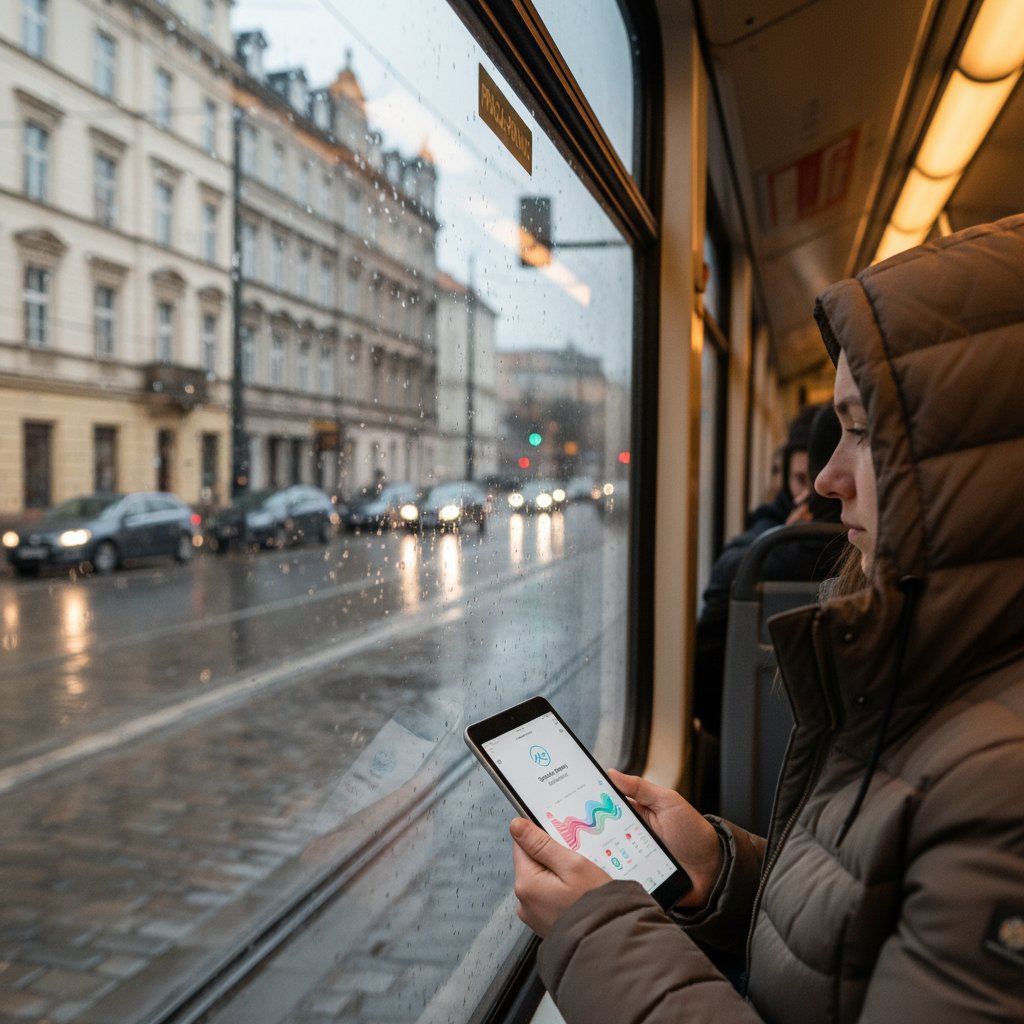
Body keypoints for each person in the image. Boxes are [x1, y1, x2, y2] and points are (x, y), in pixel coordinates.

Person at [508, 213, 1024, 1022]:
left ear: (974, 466)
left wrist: (597, 933)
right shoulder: (931, 680)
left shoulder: (1001, 785)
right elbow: (856, 952)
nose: (825, 478)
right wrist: (719, 869)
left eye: (863, 434)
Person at [692, 403, 843, 740]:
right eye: (801, 480)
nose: (810, 494)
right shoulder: (757, 547)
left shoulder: (750, 562)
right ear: (783, 475)